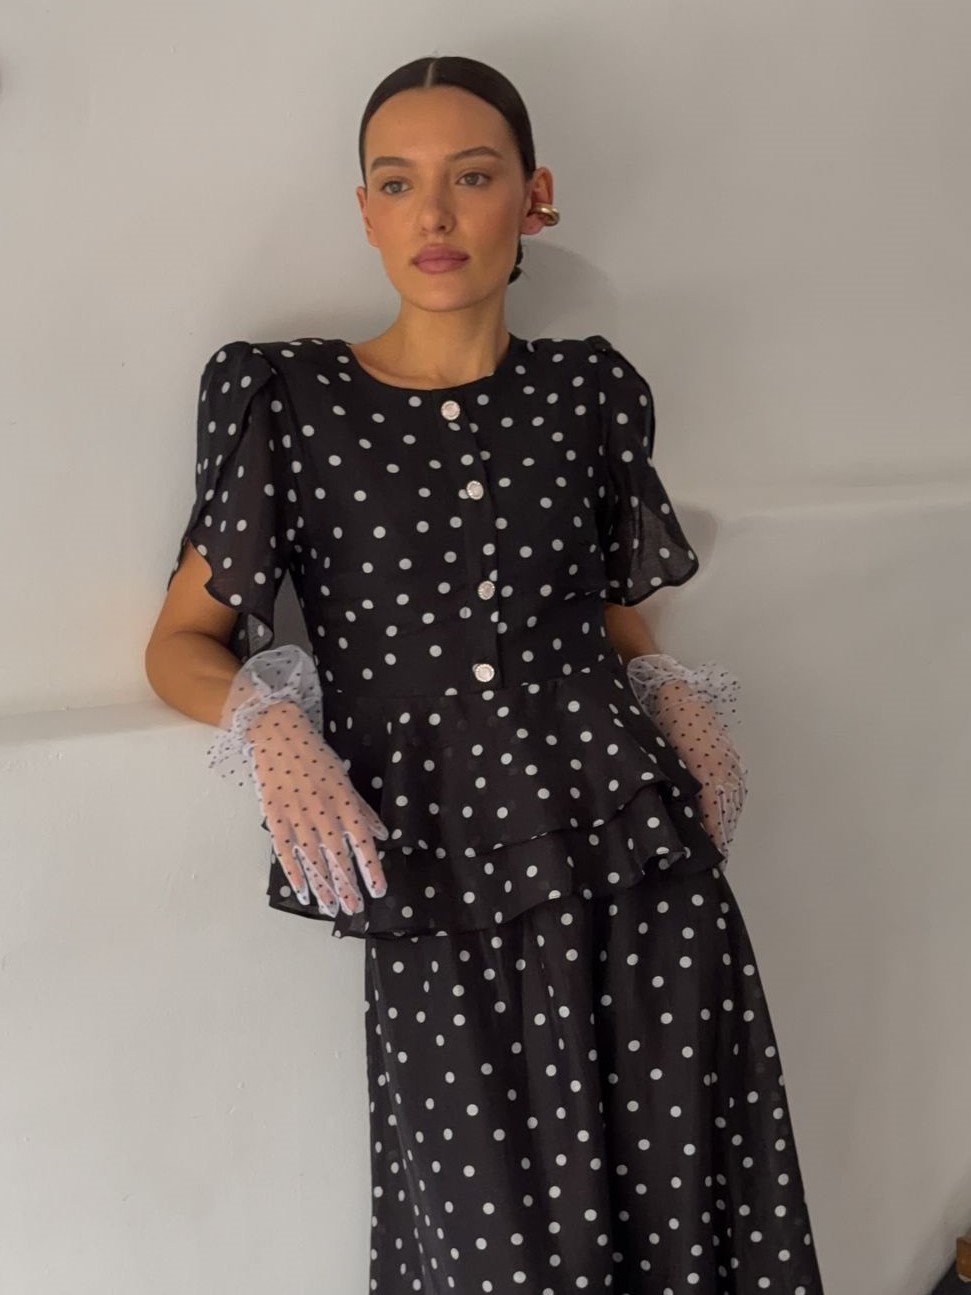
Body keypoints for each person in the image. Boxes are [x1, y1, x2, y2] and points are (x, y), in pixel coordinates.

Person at [145, 53, 825, 1295]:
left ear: (532, 196)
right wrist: (270, 728)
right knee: (491, 1250)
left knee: (685, 1214)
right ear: (364, 211)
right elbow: (179, 639)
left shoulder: (586, 392)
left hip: (640, 866)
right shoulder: (286, 399)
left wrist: (668, 691)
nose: (435, 213)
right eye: (397, 182)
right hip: (437, 880)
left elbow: (605, 609)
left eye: (470, 176)